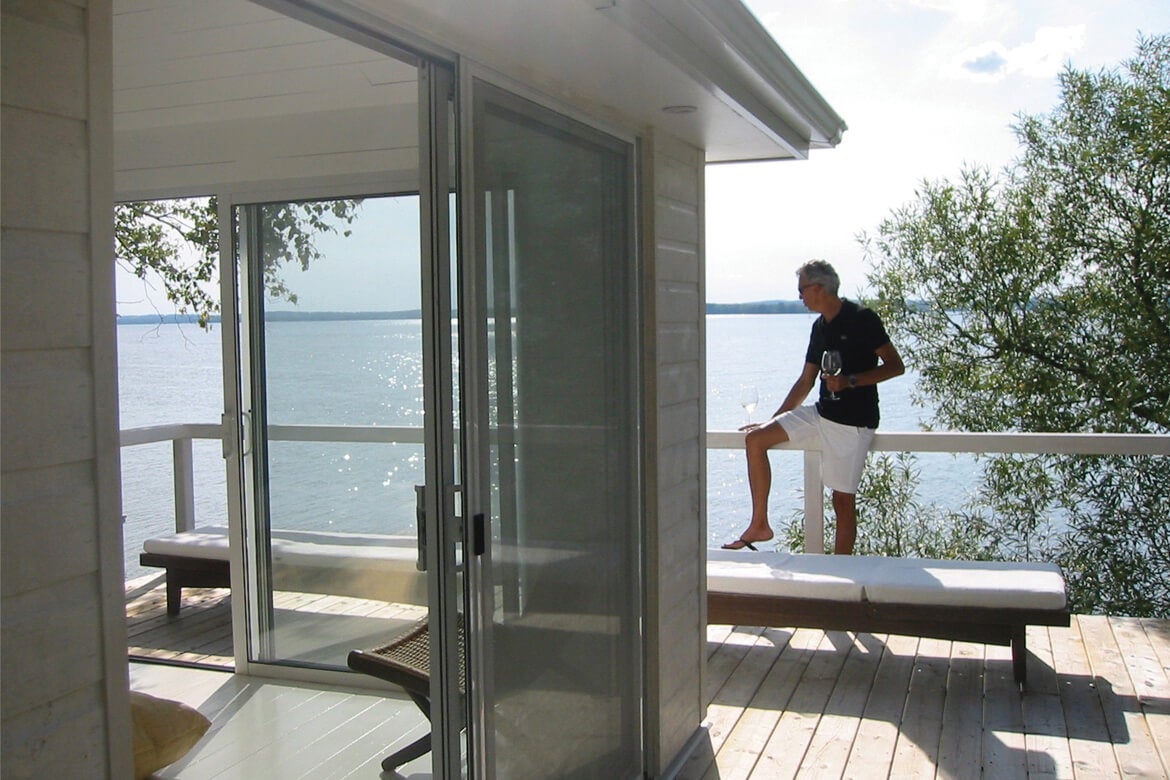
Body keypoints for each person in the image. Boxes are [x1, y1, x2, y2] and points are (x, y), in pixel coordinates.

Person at [722, 259, 904, 555]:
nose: (800, 297)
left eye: (801, 291)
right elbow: (806, 380)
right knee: (756, 439)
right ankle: (760, 525)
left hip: (853, 423)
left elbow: (896, 366)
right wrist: (774, 420)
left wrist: (850, 381)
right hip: (821, 413)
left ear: (818, 288)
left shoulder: (863, 318)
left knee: (842, 501)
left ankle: (841, 570)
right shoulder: (820, 327)